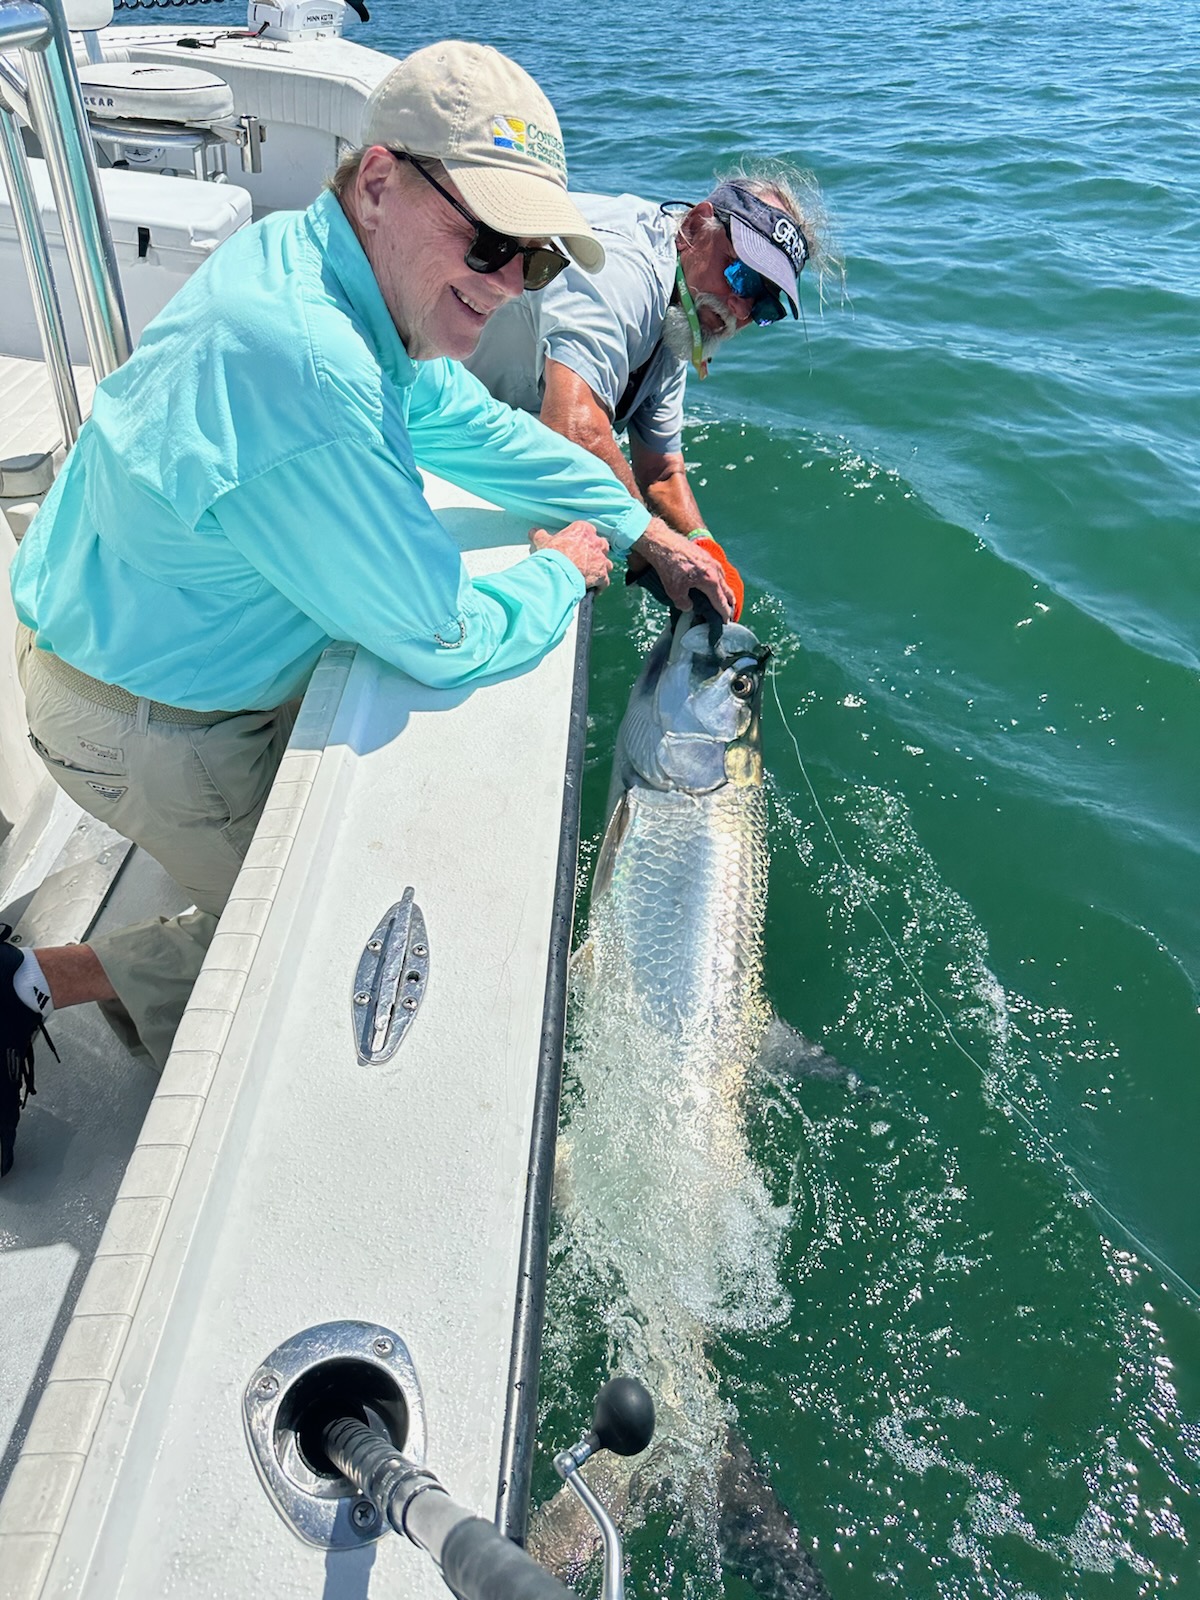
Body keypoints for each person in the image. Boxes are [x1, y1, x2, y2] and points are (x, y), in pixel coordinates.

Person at [0, 39, 733, 1177]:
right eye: (488, 242)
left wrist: (637, 526)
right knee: (312, 952)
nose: (505, 285)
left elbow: (467, 424)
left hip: (120, 642)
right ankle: (34, 982)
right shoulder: (310, 362)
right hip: (145, 727)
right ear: (381, 179)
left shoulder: (326, 268)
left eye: (534, 263)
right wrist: (563, 566)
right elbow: (437, 633)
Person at [464, 167, 829, 618]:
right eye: (741, 276)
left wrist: (702, 545)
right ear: (695, 227)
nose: (740, 308)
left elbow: (659, 469)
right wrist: (658, 549)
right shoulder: (622, 270)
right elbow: (572, 425)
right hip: (433, 419)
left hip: (502, 428)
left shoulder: (687, 306)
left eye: (766, 302)